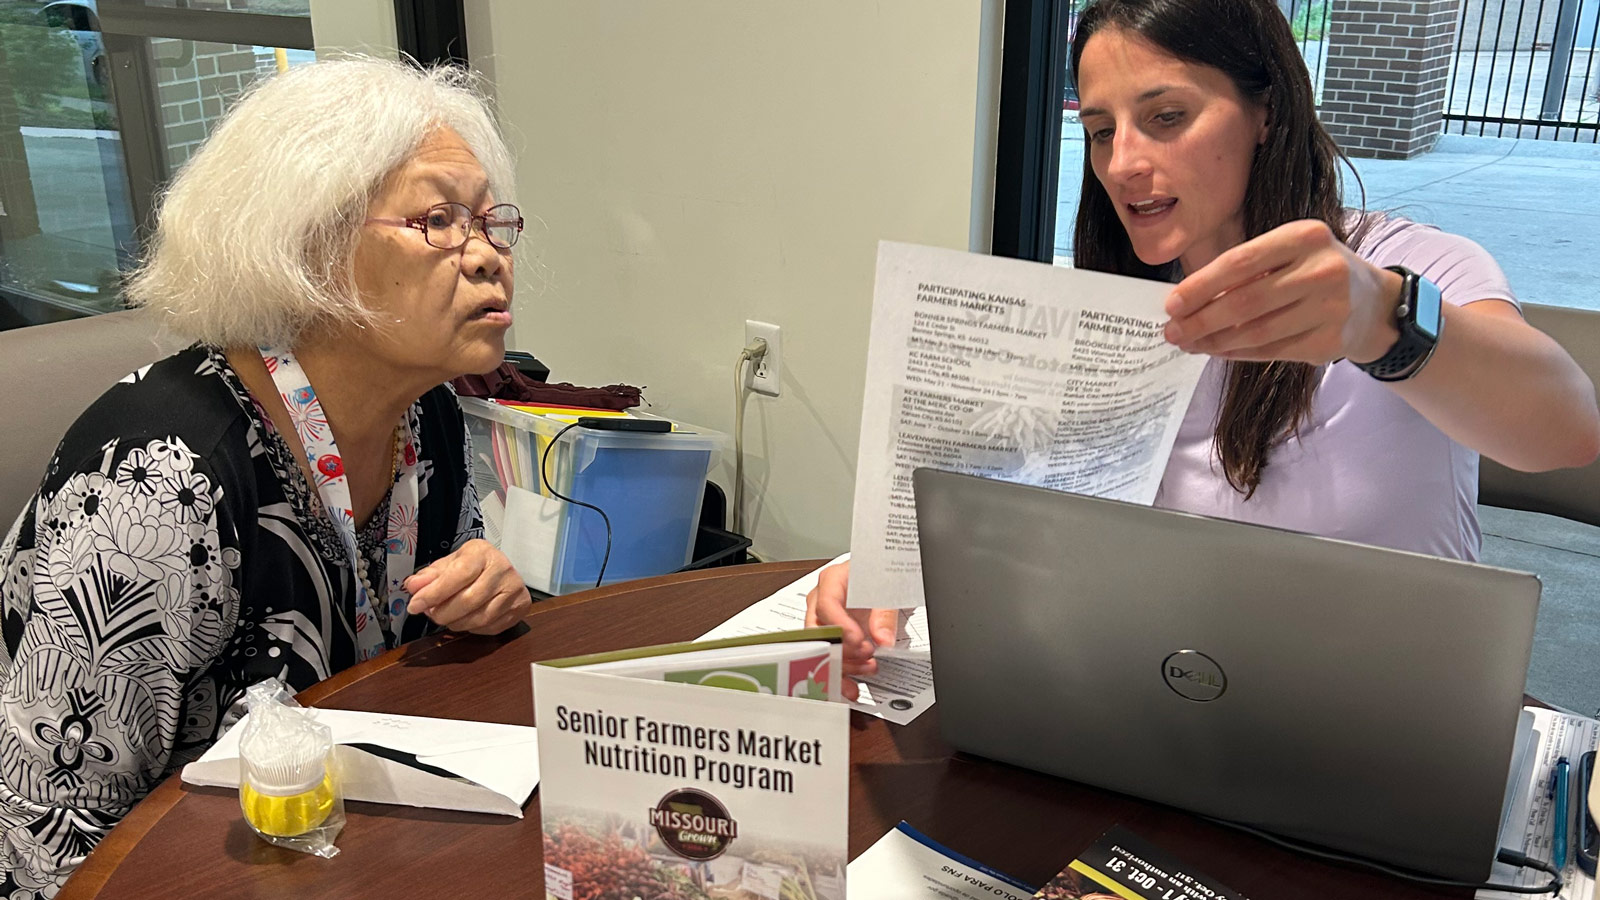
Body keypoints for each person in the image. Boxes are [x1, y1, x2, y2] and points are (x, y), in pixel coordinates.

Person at [808, 0, 1600, 698]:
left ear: (1266, 111)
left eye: (1166, 117)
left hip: (1386, 720)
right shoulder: (1101, 314)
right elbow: (1014, 510)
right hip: (1164, 708)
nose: (1122, 165)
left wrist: (1384, 320)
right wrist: (897, 569)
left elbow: (1564, 429)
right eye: (1099, 130)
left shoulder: (1412, 270)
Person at [0, 58, 533, 894]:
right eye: (439, 220)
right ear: (309, 248)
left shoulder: (424, 413)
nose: (488, 257)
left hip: (329, 842)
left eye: (492, 222)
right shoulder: (159, 478)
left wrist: (485, 594)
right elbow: (43, 829)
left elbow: (425, 617)